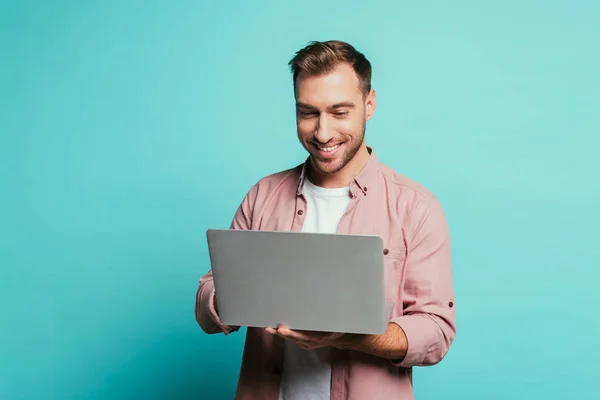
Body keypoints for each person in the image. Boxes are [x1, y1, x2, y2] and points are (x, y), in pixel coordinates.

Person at [195, 40, 456, 400]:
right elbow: (208, 303)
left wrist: (357, 337)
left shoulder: (416, 207)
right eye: (308, 112)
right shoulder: (263, 195)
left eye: (339, 112)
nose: (322, 133)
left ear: (369, 105)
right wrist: (231, 296)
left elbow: (436, 332)